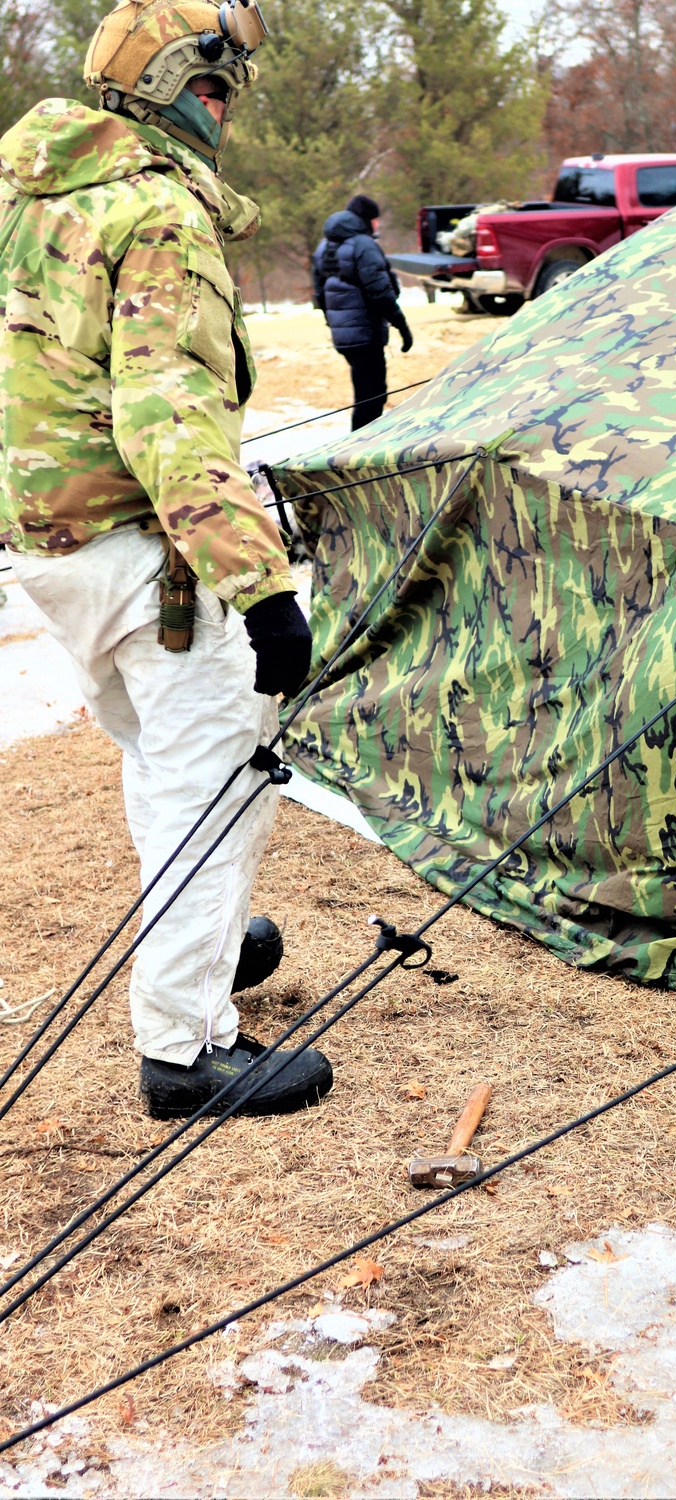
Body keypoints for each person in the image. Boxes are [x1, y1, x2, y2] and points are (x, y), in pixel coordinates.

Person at [0, 0, 333, 1119]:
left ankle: (205, 945)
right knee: (215, 792)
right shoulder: (157, 212)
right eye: (221, 85)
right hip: (155, 559)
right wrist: (263, 586)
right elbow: (169, 418)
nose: (228, 109)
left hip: (55, 551)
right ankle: (188, 1051)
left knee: (158, 758)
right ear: (185, 87)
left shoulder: (26, 195)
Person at [312, 194, 413, 430]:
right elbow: (381, 292)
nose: (377, 225)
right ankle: (360, 451)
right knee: (372, 396)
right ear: (367, 219)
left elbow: (319, 294)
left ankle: (361, 446)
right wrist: (402, 326)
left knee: (366, 392)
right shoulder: (363, 245)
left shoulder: (324, 246)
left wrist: (333, 324)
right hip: (366, 333)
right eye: (376, 219)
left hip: (345, 336)